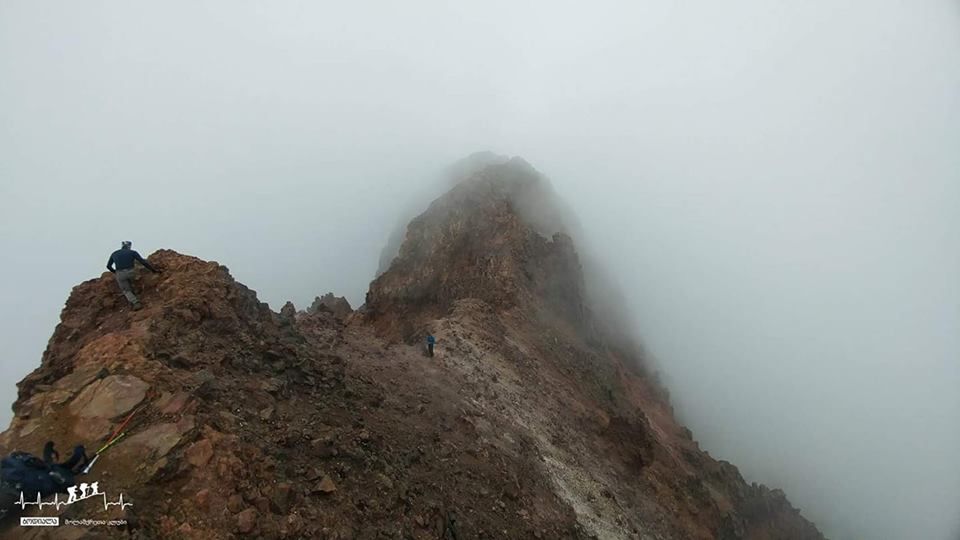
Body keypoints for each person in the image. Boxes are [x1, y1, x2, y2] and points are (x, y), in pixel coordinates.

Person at [107, 241, 159, 310]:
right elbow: (143, 262)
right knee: (135, 277)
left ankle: (136, 303)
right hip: (131, 272)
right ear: (129, 246)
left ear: (122, 246)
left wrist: (115, 272)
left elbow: (108, 266)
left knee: (126, 290)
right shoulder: (132, 252)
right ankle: (140, 291)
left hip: (120, 274)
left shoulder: (114, 253)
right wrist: (153, 270)